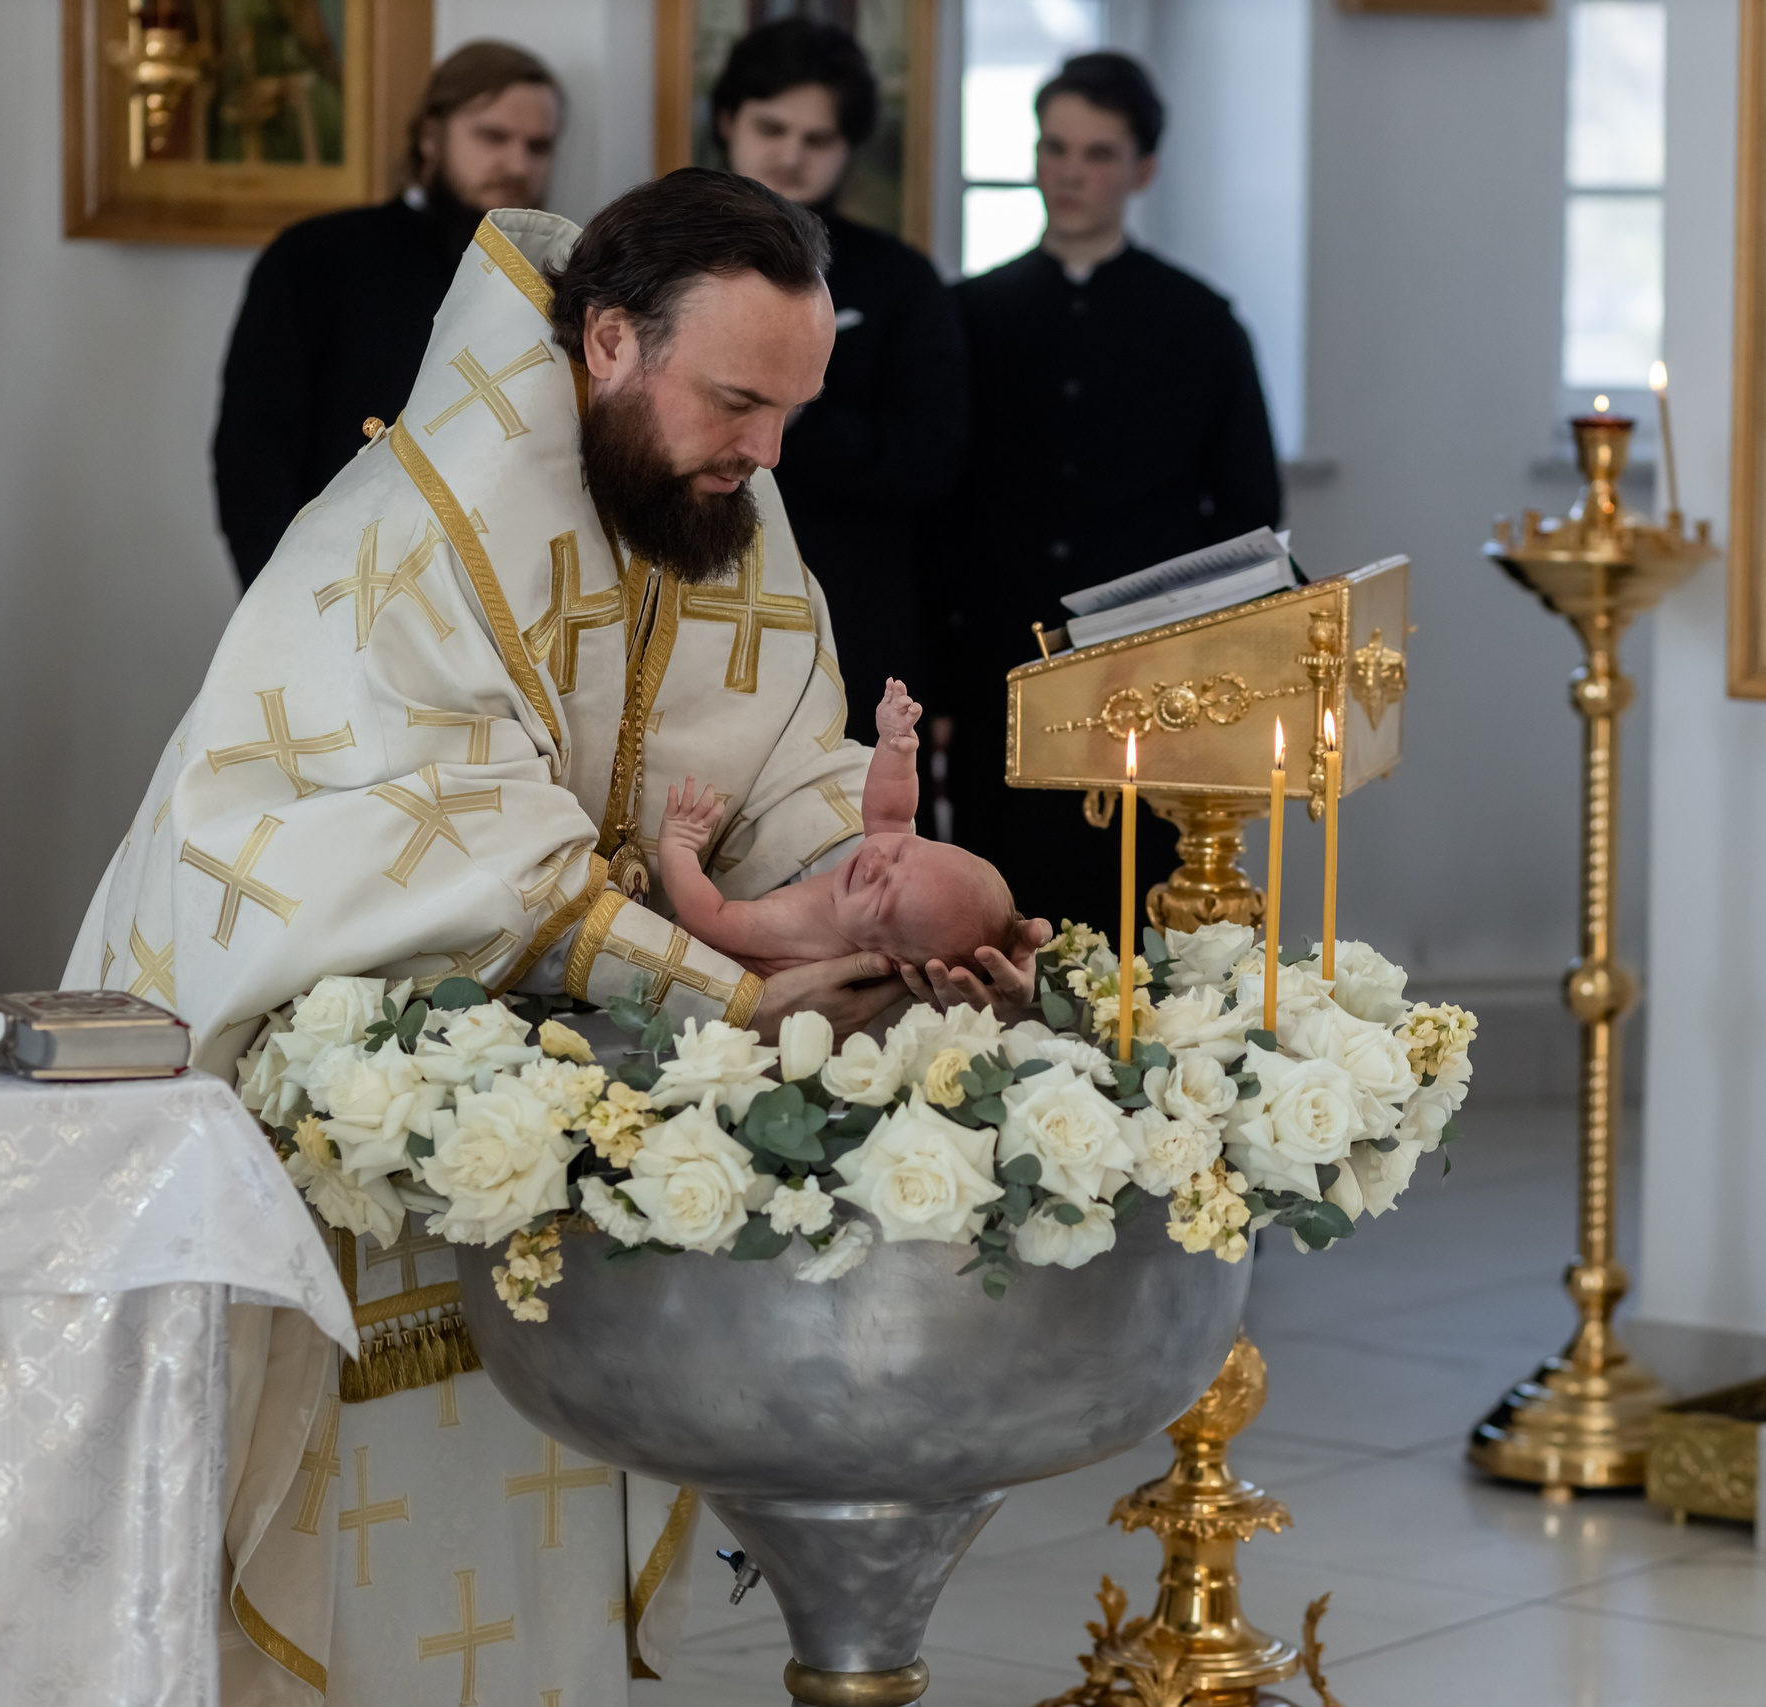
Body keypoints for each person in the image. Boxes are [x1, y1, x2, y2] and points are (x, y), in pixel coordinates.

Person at [68, 169, 1046, 1702]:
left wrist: (890, 909)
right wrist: (739, 980)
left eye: (794, 409)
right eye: (738, 401)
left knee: (526, 1543)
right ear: (607, 344)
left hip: (549, 1130)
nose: (770, 454)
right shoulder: (402, 537)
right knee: (339, 1558)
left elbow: (788, 761)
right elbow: (458, 839)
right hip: (315, 1120)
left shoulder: (720, 495)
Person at [942, 51, 1283, 928]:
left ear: (1142, 170)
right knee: (996, 905)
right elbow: (938, 503)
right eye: (1055, 147)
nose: (1070, 172)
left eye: (1097, 153)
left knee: (1135, 905)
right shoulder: (970, 315)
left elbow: (1250, 505)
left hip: (1151, 671)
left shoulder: (1201, 321)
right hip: (1000, 660)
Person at [211, 40, 562, 588]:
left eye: (538, 146)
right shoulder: (315, 257)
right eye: (493, 136)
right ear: (429, 136)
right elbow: (254, 453)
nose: (517, 164)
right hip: (339, 584)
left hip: (498, 602)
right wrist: (280, 600)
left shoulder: (561, 279)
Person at [712, 17, 967, 744]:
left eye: (817, 139)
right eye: (772, 126)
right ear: (729, 120)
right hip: (685, 596)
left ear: (847, 150)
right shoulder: (660, 264)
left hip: (849, 613)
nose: (791, 154)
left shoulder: (900, 281)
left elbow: (933, 457)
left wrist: (795, 419)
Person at [657, 679, 1027, 972]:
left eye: (884, 896)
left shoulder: (797, 927)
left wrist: (679, 849)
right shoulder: (883, 869)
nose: (875, 865)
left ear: (889, 960)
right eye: (901, 852)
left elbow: (711, 918)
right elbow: (892, 815)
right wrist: (895, 746)